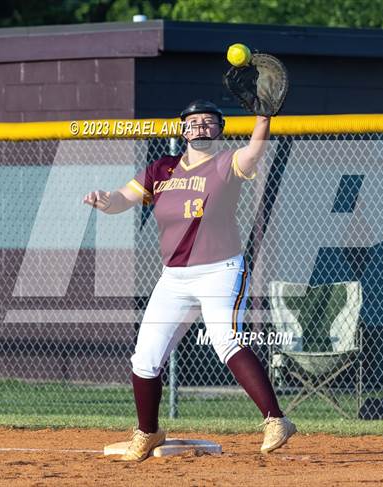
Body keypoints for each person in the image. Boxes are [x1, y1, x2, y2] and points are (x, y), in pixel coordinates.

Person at [83, 100, 296, 462]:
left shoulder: (226, 163)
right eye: (192, 122)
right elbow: (123, 199)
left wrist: (263, 118)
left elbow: (255, 152)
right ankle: (148, 433)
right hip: (174, 278)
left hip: (220, 271)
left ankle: (276, 420)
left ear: (219, 129)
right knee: (145, 358)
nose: (199, 126)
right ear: (182, 130)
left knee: (226, 341)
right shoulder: (161, 169)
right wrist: (106, 200)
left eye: (207, 122)